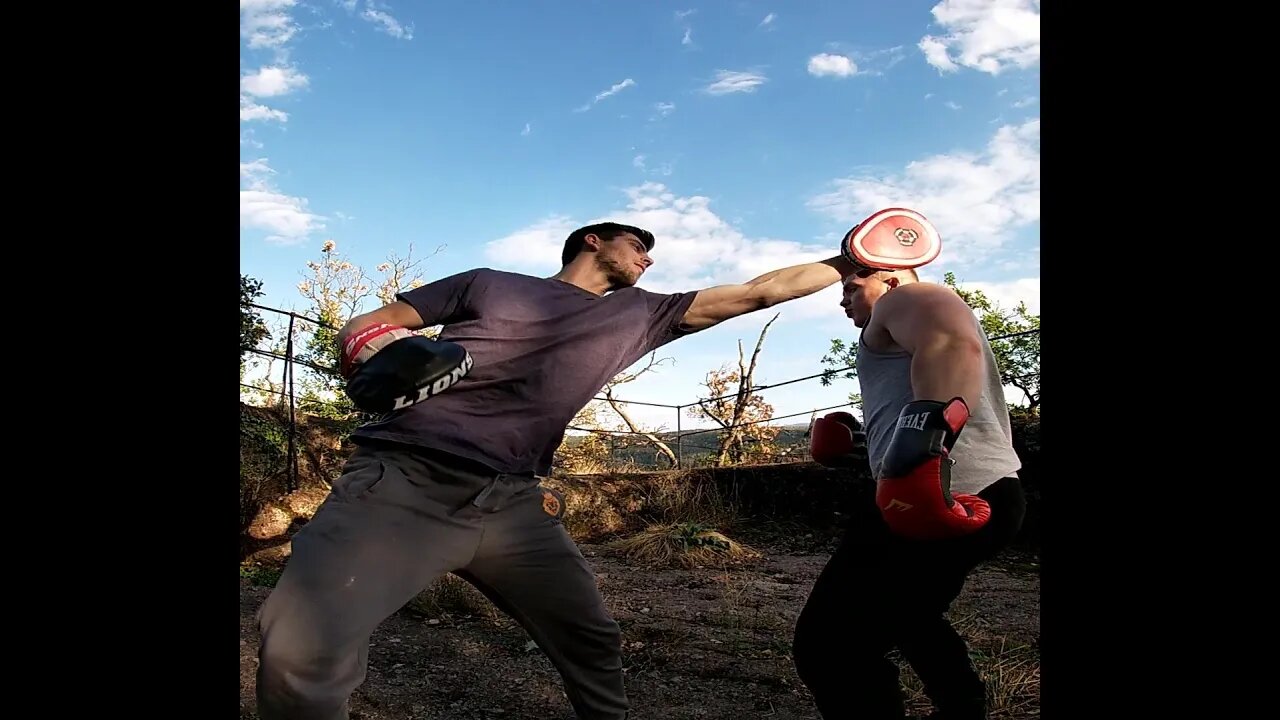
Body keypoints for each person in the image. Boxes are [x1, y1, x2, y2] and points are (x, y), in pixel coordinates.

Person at [254, 221, 870, 720]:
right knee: (297, 653)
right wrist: (374, 364)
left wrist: (850, 260)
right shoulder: (487, 284)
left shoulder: (641, 314)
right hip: (402, 482)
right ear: (592, 242)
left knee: (592, 641)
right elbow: (369, 325)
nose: (647, 260)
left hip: (513, 506)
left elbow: (759, 291)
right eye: (639, 246)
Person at [794, 267, 1028, 720]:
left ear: (892, 279)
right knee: (913, 616)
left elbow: (952, 345)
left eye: (851, 287)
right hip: (977, 490)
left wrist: (917, 457)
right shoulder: (894, 329)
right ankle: (963, 708)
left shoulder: (908, 296)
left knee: (830, 647)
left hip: (949, 491)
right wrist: (869, 444)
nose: (843, 300)